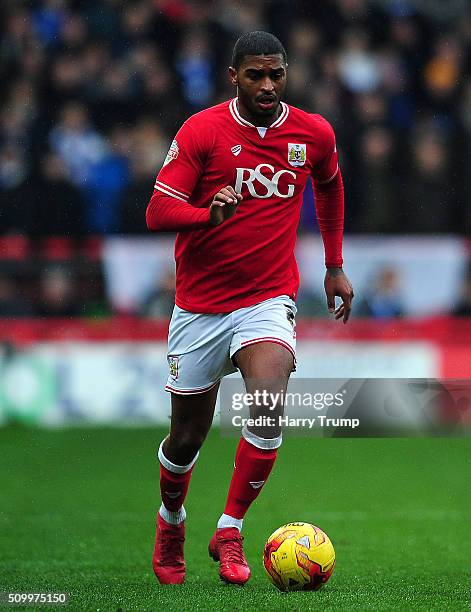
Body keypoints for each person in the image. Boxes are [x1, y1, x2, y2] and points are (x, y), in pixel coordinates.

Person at [146, 31, 354, 586]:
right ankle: (172, 521)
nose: (268, 85)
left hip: (267, 297)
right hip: (200, 306)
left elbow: (331, 188)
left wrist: (333, 264)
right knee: (186, 437)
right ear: (232, 75)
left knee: (267, 403)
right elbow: (157, 208)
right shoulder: (202, 131)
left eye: (276, 74)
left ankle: (230, 528)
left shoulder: (313, 133)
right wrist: (204, 215)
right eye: (256, 75)